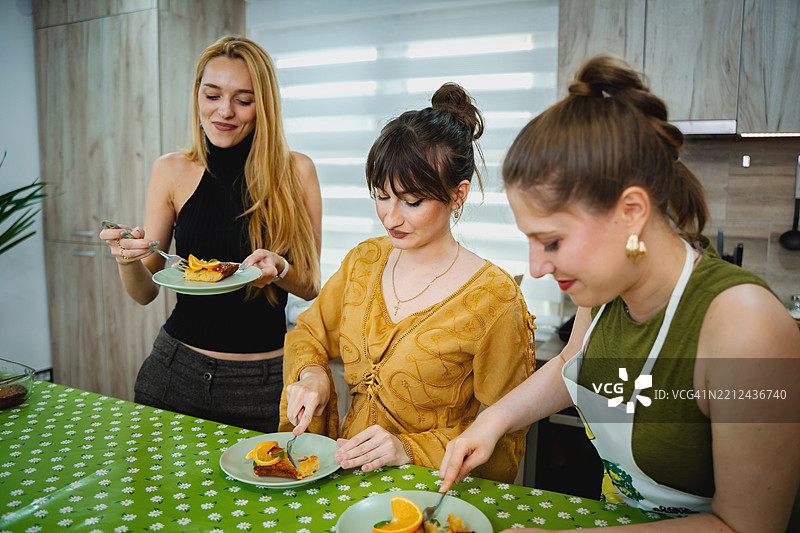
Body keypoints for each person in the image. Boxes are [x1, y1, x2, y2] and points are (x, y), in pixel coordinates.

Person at [438, 55, 800, 532]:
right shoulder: (604, 292)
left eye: (553, 242)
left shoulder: (746, 326)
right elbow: (571, 364)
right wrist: (494, 420)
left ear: (631, 212)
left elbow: (745, 527)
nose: (536, 267)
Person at [279, 83, 536, 482]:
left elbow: (505, 434)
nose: (391, 217)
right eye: (381, 196)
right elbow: (309, 333)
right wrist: (312, 377)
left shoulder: (494, 298)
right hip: (343, 483)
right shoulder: (365, 261)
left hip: (427, 498)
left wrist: (408, 450)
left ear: (458, 195)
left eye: (412, 201)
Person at [99, 36, 322, 433]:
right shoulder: (170, 170)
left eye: (243, 100)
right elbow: (146, 291)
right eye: (212, 95)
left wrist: (280, 267)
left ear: (264, 105)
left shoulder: (297, 172)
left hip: (264, 386)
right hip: (175, 373)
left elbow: (309, 286)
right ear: (197, 96)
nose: (225, 111)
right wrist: (126, 259)